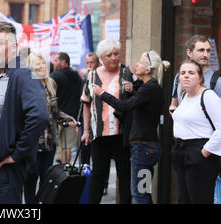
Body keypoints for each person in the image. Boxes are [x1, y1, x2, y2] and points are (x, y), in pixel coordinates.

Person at [0, 21, 49, 204]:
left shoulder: (23, 73)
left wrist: (17, 154)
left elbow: (39, 116)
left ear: (15, 46)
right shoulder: (0, 75)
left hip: (3, 174)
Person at [93, 50, 170, 204]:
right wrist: (134, 91)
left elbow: (125, 106)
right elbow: (141, 104)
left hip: (143, 148)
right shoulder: (149, 87)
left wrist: (102, 93)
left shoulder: (149, 87)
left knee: (140, 194)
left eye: (140, 63)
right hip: (146, 147)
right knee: (144, 193)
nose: (136, 65)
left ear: (148, 70)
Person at [81, 39, 133, 204]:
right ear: (102, 57)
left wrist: (133, 89)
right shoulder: (92, 75)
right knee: (98, 174)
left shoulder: (127, 73)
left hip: (122, 133)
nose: (113, 58)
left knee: (124, 173)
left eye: (116, 53)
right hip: (99, 134)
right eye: (109, 55)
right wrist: (87, 131)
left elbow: (136, 101)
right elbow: (86, 104)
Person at [23, 52, 77, 204]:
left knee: (46, 179)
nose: (42, 66)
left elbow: (54, 112)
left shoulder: (50, 83)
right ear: (31, 67)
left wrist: (69, 119)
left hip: (49, 141)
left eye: (43, 63)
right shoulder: (27, 86)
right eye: (38, 64)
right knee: (30, 179)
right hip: (33, 141)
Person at [171, 59, 221, 204]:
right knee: (184, 199)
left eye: (191, 73)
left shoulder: (208, 96)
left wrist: (203, 152)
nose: (186, 76)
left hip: (200, 153)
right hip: (181, 151)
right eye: (183, 73)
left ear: (200, 78)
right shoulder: (185, 96)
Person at [170, 35, 221, 111]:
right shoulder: (179, 77)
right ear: (189, 53)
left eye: (208, 50)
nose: (205, 55)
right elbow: (173, 105)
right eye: (201, 50)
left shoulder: (216, 81)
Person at [50, 52, 82, 163]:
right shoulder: (77, 76)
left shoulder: (54, 76)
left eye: (55, 60)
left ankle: (59, 174)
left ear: (63, 62)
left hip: (57, 115)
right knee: (67, 146)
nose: (53, 63)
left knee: (54, 147)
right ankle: (65, 172)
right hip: (72, 116)